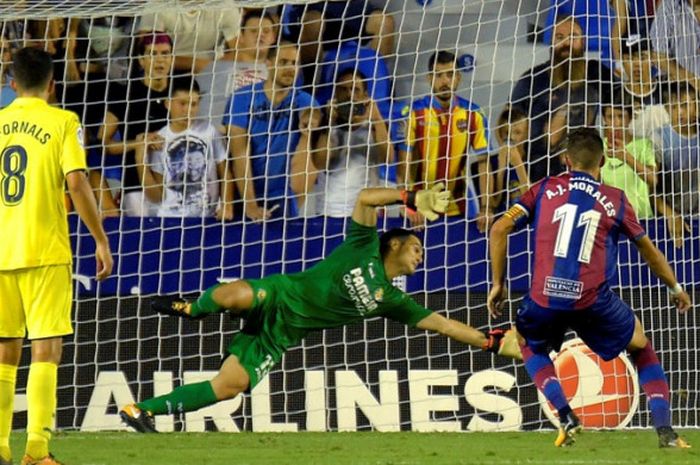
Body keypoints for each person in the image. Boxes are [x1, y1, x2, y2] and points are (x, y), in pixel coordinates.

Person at [118, 183, 519, 433]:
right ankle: (192, 310)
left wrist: (490, 342)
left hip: (280, 334)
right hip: (279, 294)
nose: (421, 256)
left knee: (230, 387)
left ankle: (140, 411)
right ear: (393, 243)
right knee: (236, 295)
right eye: (417, 248)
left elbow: (442, 325)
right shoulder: (362, 244)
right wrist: (410, 196)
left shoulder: (392, 299)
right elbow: (365, 198)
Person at [487, 127, 692, 449]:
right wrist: (675, 287)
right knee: (640, 346)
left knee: (529, 343)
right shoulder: (616, 200)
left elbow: (499, 228)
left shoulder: (542, 189)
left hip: (545, 297)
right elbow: (649, 252)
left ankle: (566, 415)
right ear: (605, 161)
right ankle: (665, 431)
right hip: (592, 302)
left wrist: (498, 284)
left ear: (566, 160)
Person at [0, 47, 113, 465]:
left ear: (11, 83)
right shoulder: (64, 121)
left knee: (4, 350)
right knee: (46, 350)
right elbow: (78, 183)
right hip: (45, 250)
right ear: (52, 84)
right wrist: (100, 238)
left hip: (0, 250)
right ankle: (36, 451)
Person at [224, 41, 320, 220]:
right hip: (243, 196)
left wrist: (312, 121)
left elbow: (312, 123)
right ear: (268, 63)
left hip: (282, 198)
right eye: (283, 62)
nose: (290, 68)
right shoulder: (242, 98)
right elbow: (239, 154)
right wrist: (250, 205)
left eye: (294, 63)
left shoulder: (306, 101)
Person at [510, 15, 610, 182]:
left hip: (585, 172)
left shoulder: (596, 74)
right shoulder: (533, 78)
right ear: (551, 43)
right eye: (560, 37)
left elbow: (623, 102)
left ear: (583, 41)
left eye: (573, 36)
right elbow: (508, 119)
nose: (567, 43)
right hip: (538, 175)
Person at [405, 51, 492, 231]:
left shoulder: (473, 114)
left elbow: (484, 163)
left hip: (456, 209)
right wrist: (409, 205)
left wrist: (486, 207)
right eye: (438, 75)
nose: (445, 81)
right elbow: (403, 162)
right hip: (418, 211)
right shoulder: (414, 112)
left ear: (458, 77)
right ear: (429, 78)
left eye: (450, 74)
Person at [136, 76, 234, 219]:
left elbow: (225, 172)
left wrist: (227, 206)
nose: (188, 110)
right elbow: (156, 197)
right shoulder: (160, 139)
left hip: (208, 217)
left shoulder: (209, 131)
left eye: (193, 104)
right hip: (171, 219)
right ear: (167, 103)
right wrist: (140, 160)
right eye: (182, 103)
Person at [98, 32, 173, 216]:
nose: (160, 60)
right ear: (141, 60)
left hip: (178, 185)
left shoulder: (181, 92)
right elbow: (102, 143)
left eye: (165, 53)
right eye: (152, 54)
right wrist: (139, 142)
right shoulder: (125, 96)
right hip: (136, 186)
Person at [313, 69, 392, 217]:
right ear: (335, 94)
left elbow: (387, 158)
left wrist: (377, 118)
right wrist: (328, 123)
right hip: (329, 210)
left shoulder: (376, 126)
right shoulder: (324, 124)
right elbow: (320, 163)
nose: (349, 95)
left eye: (355, 89)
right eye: (344, 89)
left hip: (366, 212)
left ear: (365, 96)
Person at [196, 10, 276, 126]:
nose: (260, 35)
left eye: (266, 31)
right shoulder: (217, 67)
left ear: (273, 38)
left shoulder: (277, 71)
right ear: (241, 37)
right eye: (254, 31)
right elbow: (198, 104)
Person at [138, 5, 242, 73]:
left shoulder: (225, 6)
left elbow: (242, 52)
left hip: (213, 70)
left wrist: (211, 67)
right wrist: (198, 64)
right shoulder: (157, 5)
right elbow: (149, 57)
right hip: (168, 71)